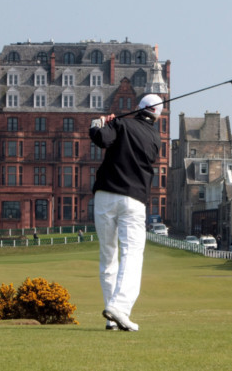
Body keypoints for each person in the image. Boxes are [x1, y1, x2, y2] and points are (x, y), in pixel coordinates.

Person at [90, 94, 162, 332]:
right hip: (133, 199)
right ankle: (119, 307)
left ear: (138, 109)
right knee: (132, 254)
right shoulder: (155, 138)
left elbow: (99, 139)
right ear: (157, 116)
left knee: (108, 255)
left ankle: (112, 317)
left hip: (104, 195)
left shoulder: (120, 123)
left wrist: (101, 122)